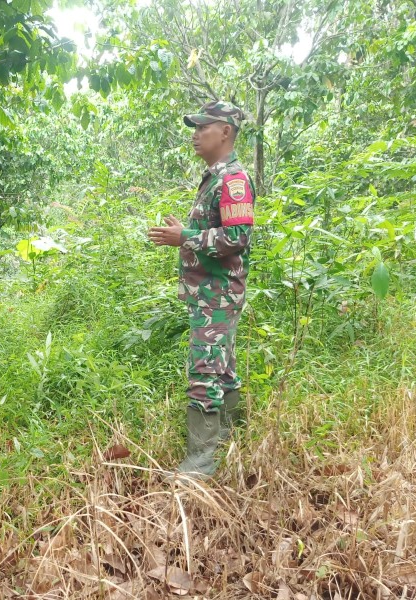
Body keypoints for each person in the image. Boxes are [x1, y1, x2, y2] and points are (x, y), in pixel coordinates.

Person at [147, 101, 255, 478]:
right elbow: (220, 228)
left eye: (201, 127)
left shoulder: (233, 179)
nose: (194, 135)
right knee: (221, 367)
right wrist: (187, 231)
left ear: (225, 131)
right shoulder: (215, 177)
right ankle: (227, 440)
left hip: (218, 295)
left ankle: (201, 461)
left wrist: (186, 236)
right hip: (212, 294)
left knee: (205, 370)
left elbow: (237, 237)